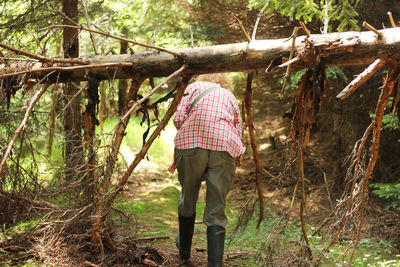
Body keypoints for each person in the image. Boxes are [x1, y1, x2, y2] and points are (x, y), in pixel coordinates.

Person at [168, 73, 245, 266]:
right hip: (224, 146)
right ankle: (215, 264)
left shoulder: (191, 88)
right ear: (223, 80)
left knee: (188, 195)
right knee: (216, 205)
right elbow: (238, 128)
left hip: (192, 145)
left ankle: (184, 250)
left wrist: (195, 129)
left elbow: (177, 119)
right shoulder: (229, 96)